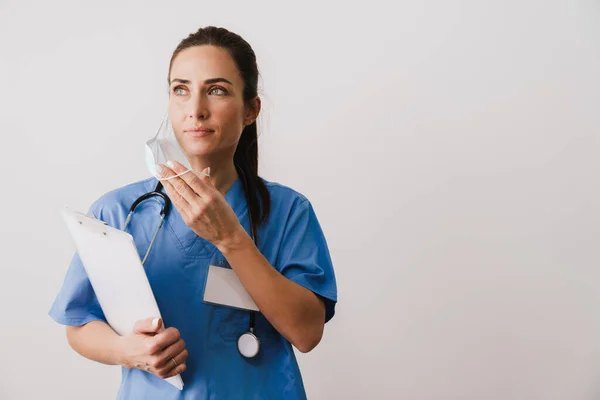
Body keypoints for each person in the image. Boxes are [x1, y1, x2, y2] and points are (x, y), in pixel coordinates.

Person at [48, 26, 337, 399]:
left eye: (216, 90)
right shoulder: (119, 212)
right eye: (180, 89)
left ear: (251, 109)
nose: (195, 110)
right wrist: (127, 351)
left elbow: (307, 332)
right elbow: (79, 323)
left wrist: (231, 239)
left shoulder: (287, 212)